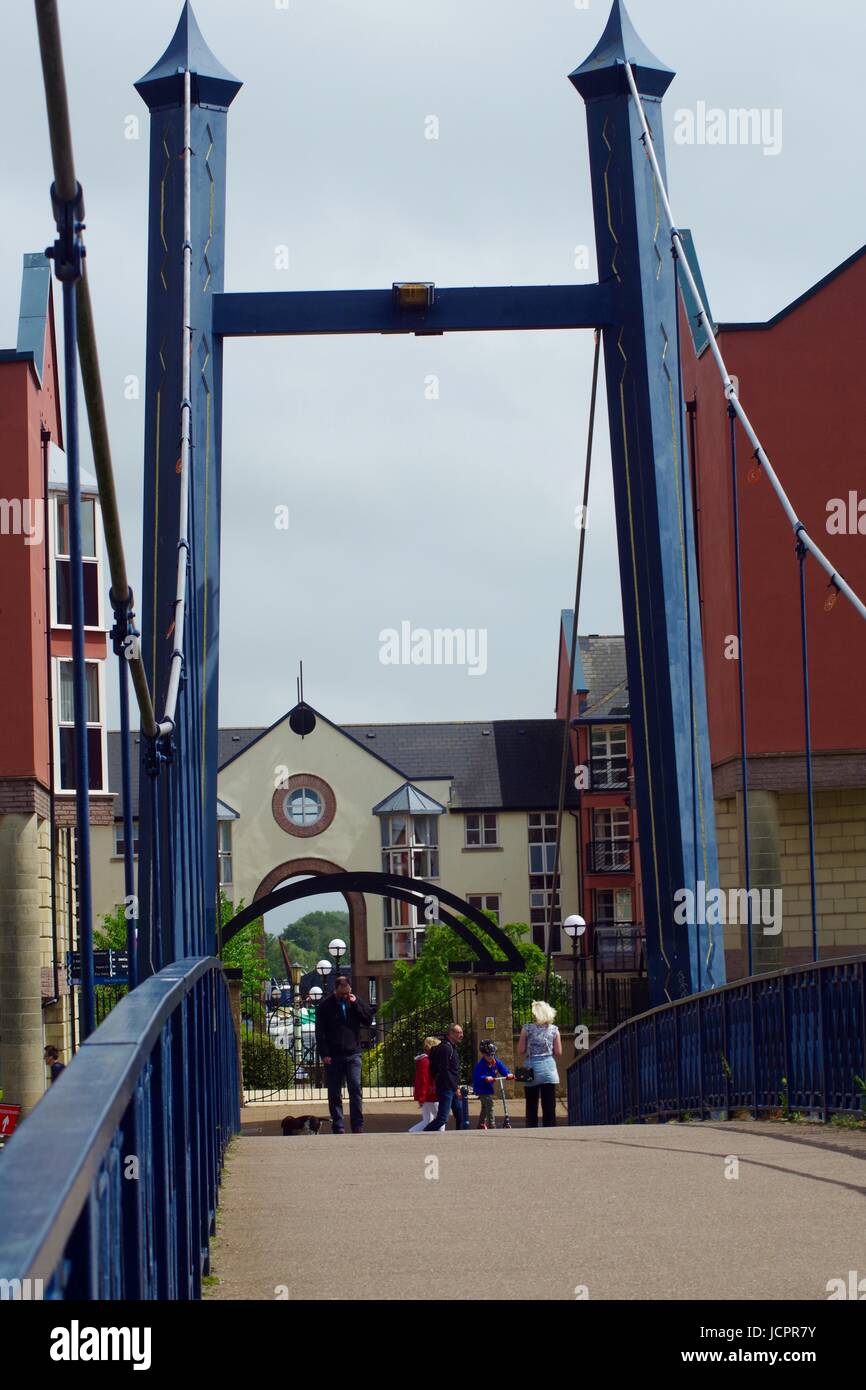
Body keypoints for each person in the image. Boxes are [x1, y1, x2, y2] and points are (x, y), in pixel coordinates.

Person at [314, 974, 374, 1134]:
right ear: (335, 990)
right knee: (334, 1092)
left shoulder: (355, 1001)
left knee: (355, 1088)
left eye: (347, 993)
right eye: (342, 994)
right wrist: (324, 1053)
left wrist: (355, 1005)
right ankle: (338, 1125)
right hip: (333, 1055)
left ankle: (357, 1125)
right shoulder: (325, 1006)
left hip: (353, 1053)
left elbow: (368, 1020)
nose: (345, 997)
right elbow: (320, 1032)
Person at [517, 1001, 562, 1128]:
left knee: (531, 1103)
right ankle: (550, 1127)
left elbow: (520, 1050)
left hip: (531, 1068)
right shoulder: (554, 1030)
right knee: (549, 1104)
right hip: (549, 1068)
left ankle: (531, 1128)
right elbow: (558, 1052)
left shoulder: (526, 1028)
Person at [423, 1024, 466, 1132]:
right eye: (458, 1032)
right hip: (446, 1089)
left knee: (460, 1115)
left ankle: (460, 1136)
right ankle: (424, 1133)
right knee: (442, 1119)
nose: (461, 1035)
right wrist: (455, 1088)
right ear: (451, 1034)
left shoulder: (452, 1047)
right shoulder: (446, 1048)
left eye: (461, 1032)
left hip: (451, 1087)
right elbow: (445, 1070)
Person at [471, 1040, 513, 1129]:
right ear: (483, 1054)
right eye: (488, 1055)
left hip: (489, 1088)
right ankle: (492, 1125)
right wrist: (485, 1078)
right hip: (481, 1088)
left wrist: (508, 1074)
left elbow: (502, 1068)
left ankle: (481, 1124)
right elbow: (477, 1077)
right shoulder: (481, 1064)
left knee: (485, 1107)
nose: (490, 1057)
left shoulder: (496, 1062)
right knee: (490, 1104)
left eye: (492, 1054)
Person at [408, 1036, 441, 1132]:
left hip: (427, 1094)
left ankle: (412, 1132)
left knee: (428, 1120)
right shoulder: (426, 1061)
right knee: (440, 1119)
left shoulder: (424, 1060)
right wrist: (422, 1097)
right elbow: (424, 1080)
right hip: (430, 1094)